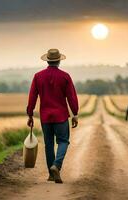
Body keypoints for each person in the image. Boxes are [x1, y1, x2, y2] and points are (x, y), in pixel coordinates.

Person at [26, 49, 79, 184]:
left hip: (45, 116)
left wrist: (30, 114)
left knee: (49, 144)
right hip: (61, 116)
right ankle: (56, 165)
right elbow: (71, 97)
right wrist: (75, 113)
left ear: (48, 60)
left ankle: (51, 174)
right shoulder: (65, 76)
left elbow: (32, 97)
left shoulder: (38, 76)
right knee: (63, 141)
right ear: (59, 61)